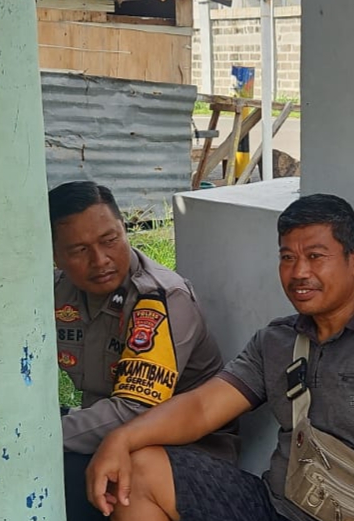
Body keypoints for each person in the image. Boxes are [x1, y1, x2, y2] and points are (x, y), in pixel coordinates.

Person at [85, 193, 354, 521]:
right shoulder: (277, 339)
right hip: (276, 508)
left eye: (316, 256)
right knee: (137, 471)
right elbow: (203, 407)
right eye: (287, 257)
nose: (299, 272)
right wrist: (121, 438)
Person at [49, 181, 239, 521]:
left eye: (110, 240)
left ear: (125, 230)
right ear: (55, 255)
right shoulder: (57, 293)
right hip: (103, 437)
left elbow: (134, 409)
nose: (100, 260)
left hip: (180, 456)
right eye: (79, 250)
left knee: (43, 474)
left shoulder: (160, 299)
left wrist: (39, 437)